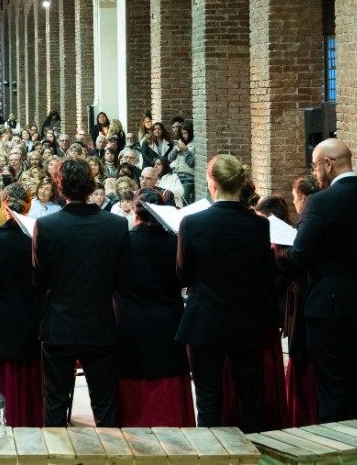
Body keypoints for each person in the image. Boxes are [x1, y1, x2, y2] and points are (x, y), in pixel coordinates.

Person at [282, 138, 357, 423]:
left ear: (328, 165)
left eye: (316, 166)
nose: (315, 173)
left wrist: (280, 253)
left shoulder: (320, 202)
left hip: (331, 308)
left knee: (333, 389)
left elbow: (300, 258)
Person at [33, 157, 129, 427]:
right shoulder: (115, 226)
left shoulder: (47, 226)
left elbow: (38, 282)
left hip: (59, 325)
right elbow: (123, 282)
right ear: (91, 185)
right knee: (104, 404)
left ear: (59, 186)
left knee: (55, 402)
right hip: (100, 324)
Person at [176, 154, 268, 432]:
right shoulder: (259, 225)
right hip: (246, 319)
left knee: (208, 399)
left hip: (205, 318)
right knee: (251, 397)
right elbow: (263, 273)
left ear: (211, 182)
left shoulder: (192, 223)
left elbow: (183, 275)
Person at [114, 188, 194, 426]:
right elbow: (185, 279)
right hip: (168, 322)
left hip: (129, 325)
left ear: (135, 214)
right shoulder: (175, 242)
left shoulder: (123, 242)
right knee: (168, 397)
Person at [0, 183, 43, 426]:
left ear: (3, 205)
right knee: (30, 384)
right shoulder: (40, 236)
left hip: (2, 320)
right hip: (33, 319)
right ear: (28, 205)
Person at [282, 174, 321, 426]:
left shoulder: (309, 221)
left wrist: (280, 252)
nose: (294, 202)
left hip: (309, 297)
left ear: (303, 197)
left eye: (295, 197)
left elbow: (298, 260)